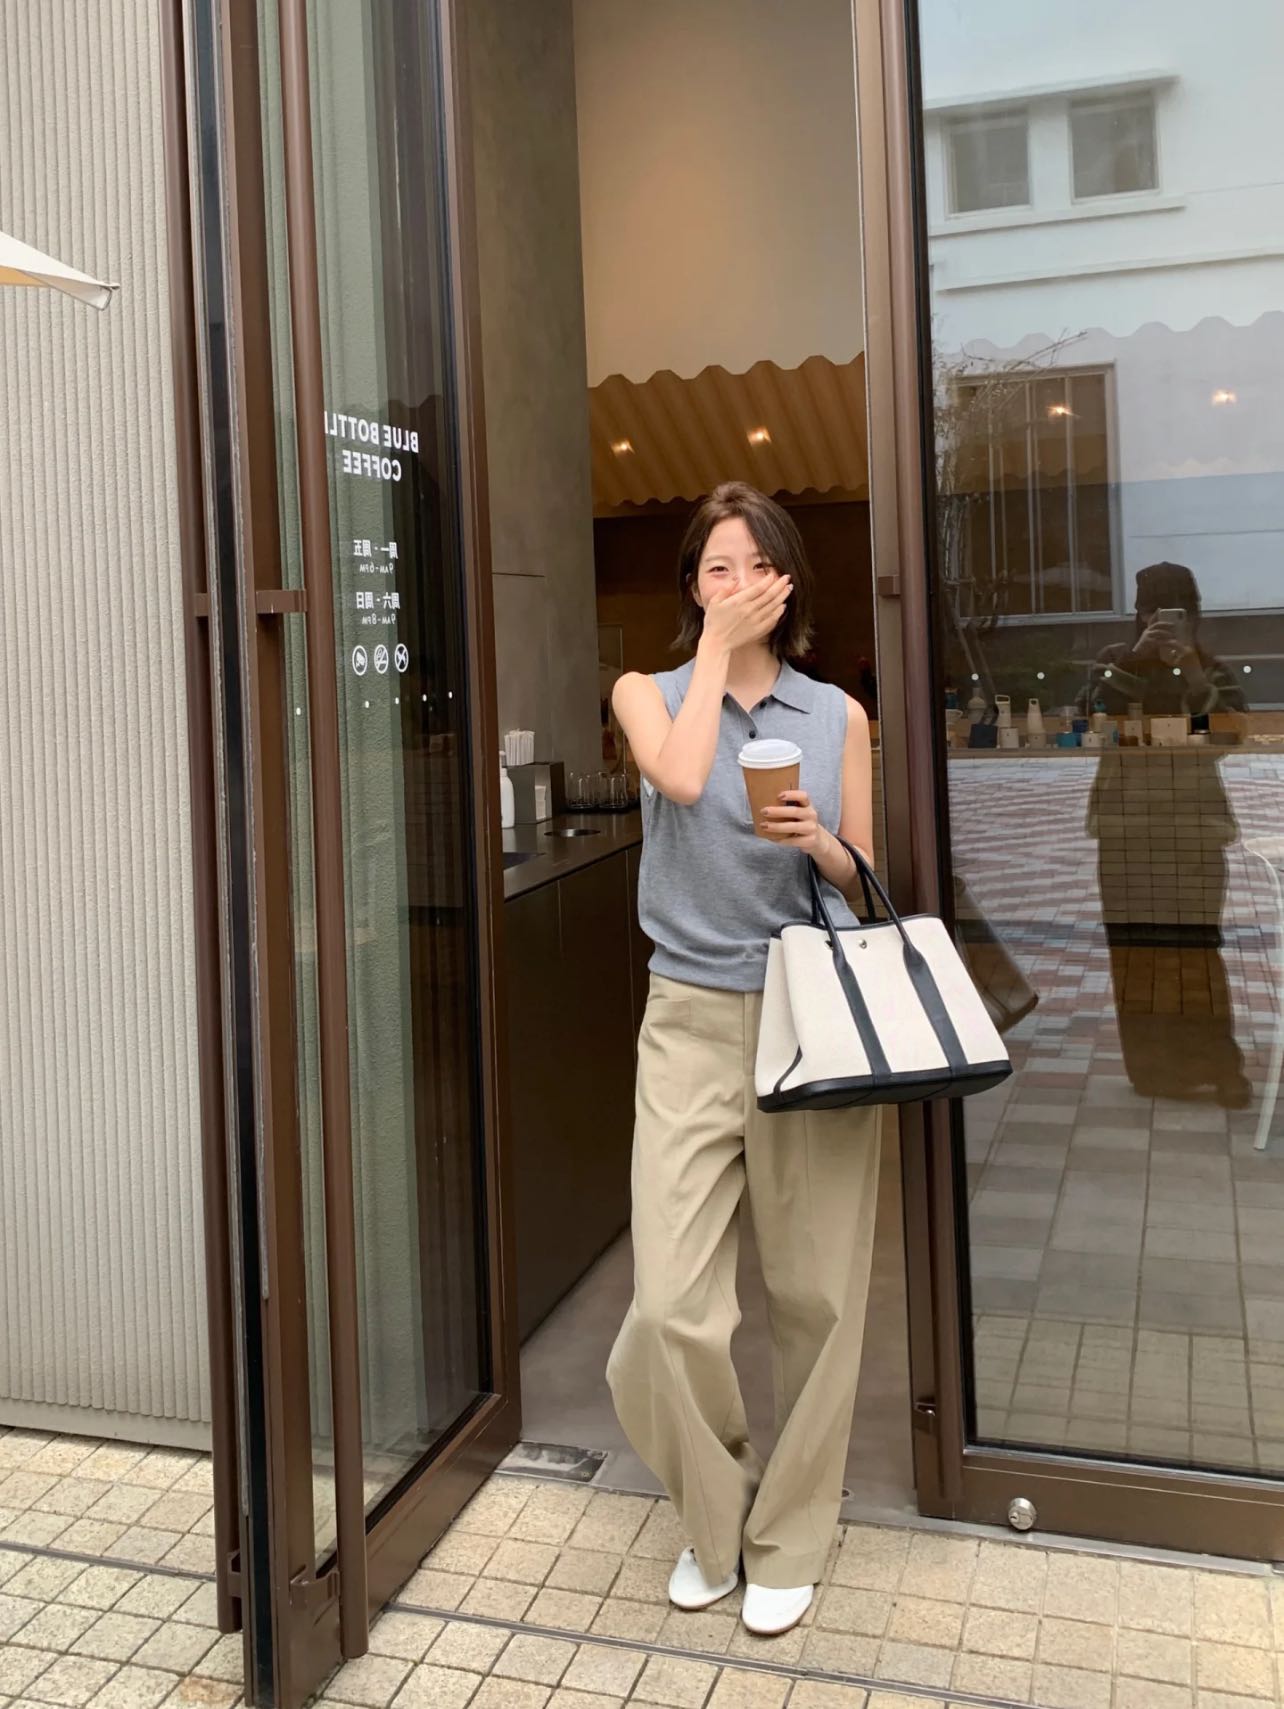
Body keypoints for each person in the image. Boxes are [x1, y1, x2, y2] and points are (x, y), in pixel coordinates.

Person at [606, 482, 881, 1638]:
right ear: (693, 585)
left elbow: (863, 876)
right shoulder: (649, 692)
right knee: (670, 1306)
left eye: (757, 564)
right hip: (690, 1015)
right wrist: (714, 654)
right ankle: (716, 1513)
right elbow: (677, 778)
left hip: (808, 1009)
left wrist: (819, 839)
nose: (738, 582)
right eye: (716, 566)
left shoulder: (836, 714)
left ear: (788, 580)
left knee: (817, 1293)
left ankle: (793, 1531)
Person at [1083, 562, 1251, 1107]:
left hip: (1194, 826)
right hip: (1125, 825)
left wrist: (1194, 673)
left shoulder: (1211, 667)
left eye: (1177, 612)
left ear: (1195, 616)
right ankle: (1153, 1070)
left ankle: (1218, 1066)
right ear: (1138, 614)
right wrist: (1134, 660)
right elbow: (1090, 722)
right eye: (1152, 611)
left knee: (1197, 947)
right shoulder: (1116, 660)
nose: (1164, 622)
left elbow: (1230, 736)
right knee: (1134, 949)